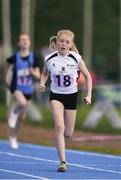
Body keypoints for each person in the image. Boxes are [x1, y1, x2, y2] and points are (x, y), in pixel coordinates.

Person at [40, 29, 92, 172]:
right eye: (61, 41)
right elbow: (44, 73)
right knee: (59, 126)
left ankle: (60, 138)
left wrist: (89, 95)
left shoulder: (76, 58)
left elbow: (88, 76)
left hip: (71, 96)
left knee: (68, 133)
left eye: (67, 42)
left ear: (70, 45)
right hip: (56, 95)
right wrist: (42, 83)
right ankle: (63, 162)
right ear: (56, 42)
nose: (63, 44)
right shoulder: (49, 58)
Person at [5, 33, 40, 149]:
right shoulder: (15, 57)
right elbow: (7, 66)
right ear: (18, 43)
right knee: (22, 103)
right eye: (22, 39)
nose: (25, 41)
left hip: (28, 90)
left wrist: (32, 72)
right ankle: (14, 112)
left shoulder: (33, 58)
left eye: (27, 39)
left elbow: (38, 76)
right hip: (16, 87)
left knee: (22, 118)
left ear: (29, 42)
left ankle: (13, 137)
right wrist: (6, 79)